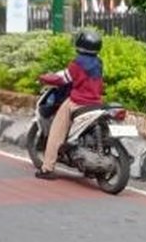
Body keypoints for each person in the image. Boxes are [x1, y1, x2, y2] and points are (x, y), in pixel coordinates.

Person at [35, 29, 104, 180]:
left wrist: (45, 78)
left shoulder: (77, 63)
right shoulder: (99, 62)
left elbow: (62, 79)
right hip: (96, 103)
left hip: (78, 102)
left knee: (56, 131)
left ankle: (47, 168)